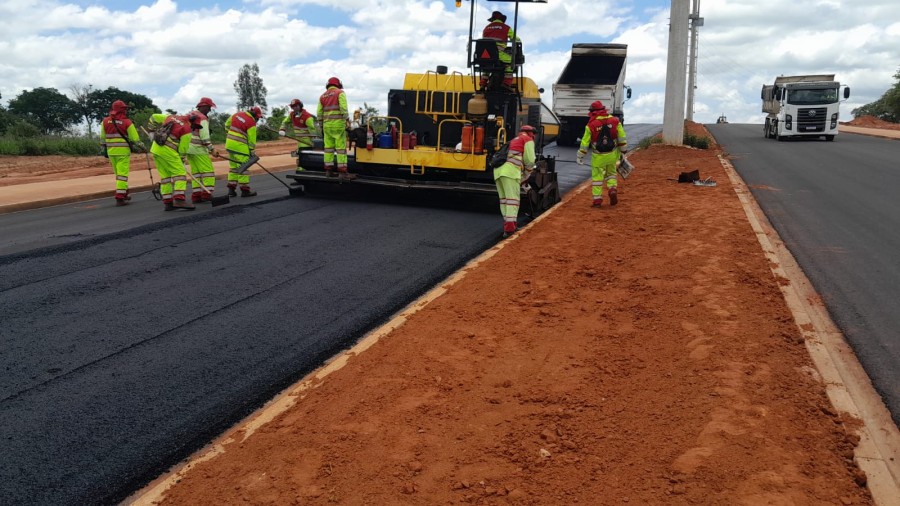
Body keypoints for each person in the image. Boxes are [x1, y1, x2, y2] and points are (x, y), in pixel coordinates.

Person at [148, 113, 204, 211]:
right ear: (192, 122)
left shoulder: (171, 117)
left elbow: (153, 116)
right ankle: (179, 199)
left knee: (165, 177)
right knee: (180, 174)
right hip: (168, 151)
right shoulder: (187, 130)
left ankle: (168, 202)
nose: (194, 129)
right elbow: (183, 149)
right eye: (195, 126)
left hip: (155, 149)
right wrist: (182, 160)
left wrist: (151, 132)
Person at [577, 100, 627, 207]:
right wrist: (623, 151)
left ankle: (597, 200)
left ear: (592, 112)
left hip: (598, 157)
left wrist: (580, 155)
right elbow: (622, 137)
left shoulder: (590, 125)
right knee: (611, 174)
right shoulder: (615, 121)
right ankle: (612, 189)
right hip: (612, 154)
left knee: (597, 178)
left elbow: (584, 143)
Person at [99, 100, 145, 206]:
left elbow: (102, 138)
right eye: (125, 108)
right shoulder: (127, 122)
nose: (126, 110)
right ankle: (120, 198)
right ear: (122, 110)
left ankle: (124, 194)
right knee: (122, 175)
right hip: (123, 152)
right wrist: (143, 147)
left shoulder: (105, 121)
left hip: (111, 152)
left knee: (119, 175)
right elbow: (135, 139)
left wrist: (103, 149)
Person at [494, 124, 536, 238]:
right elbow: (530, 160)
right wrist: (526, 175)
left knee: (504, 200)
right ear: (532, 133)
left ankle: (509, 226)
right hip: (510, 173)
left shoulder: (513, 140)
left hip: (498, 172)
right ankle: (509, 229)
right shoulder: (527, 139)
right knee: (513, 200)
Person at [317, 77, 354, 180]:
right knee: (341, 149)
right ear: (338, 84)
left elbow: (319, 113)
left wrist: (321, 125)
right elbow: (343, 108)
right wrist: (347, 121)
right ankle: (342, 173)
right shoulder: (340, 93)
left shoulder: (322, 96)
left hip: (327, 126)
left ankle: (328, 171)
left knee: (328, 149)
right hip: (338, 126)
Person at [224, 106, 263, 197]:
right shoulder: (251, 122)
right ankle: (245, 190)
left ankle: (231, 190)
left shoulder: (236, 114)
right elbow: (252, 139)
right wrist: (252, 150)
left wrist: (230, 134)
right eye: (258, 117)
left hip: (229, 145)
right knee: (243, 168)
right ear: (255, 115)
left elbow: (226, 125)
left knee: (233, 168)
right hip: (240, 147)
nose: (257, 119)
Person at [186, 97, 218, 203]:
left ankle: (196, 195)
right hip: (198, 149)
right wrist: (211, 149)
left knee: (196, 173)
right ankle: (206, 194)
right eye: (209, 107)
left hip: (188, 149)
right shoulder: (202, 118)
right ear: (203, 106)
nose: (209, 110)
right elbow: (204, 137)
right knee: (208, 172)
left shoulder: (190, 114)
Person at [482, 10, 520, 88]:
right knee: (511, 61)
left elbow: (484, 40)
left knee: (487, 65)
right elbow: (516, 39)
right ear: (502, 20)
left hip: (486, 54)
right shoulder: (506, 28)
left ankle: (483, 83)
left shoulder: (486, 28)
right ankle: (506, 83)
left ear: (492, 20)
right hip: (499, 54)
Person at [279, 99, 316, 175]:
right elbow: (284, 121)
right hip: (299, 142)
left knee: (304, 159)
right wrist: (282, 129)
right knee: (301, 158)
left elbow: (313, 131)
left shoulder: (307, 117)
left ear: (300, 106)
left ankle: (303, 174)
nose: (293, 108)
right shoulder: (292, 115)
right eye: (292, 107)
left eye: (295, 106)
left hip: (307, 142)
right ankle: (302, 174)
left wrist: (314, 142)